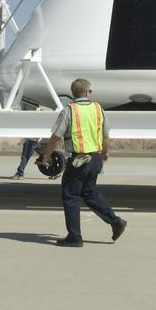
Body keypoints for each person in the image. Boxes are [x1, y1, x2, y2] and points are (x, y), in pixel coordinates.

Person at [37, 78, 127, 247]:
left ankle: (74, 237)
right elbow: (106, 136)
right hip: (95, 158)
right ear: (87, 93)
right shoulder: (98, 109)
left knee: (70, 196)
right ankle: (115, 221)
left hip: (78, 160)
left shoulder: (69, 111)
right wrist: (105, 153)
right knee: (89, 192)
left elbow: (56, 137)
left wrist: (46, 155)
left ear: (74, 93)